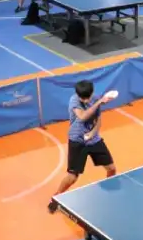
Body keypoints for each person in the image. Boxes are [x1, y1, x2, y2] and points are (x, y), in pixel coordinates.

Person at [48, 80, 117, 214]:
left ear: (91, 93)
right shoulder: (74, 101)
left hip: (93, 140)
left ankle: (109, 190)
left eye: (87, 98)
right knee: (72, 177)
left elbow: (98, 121)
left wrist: (92, 133)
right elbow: (83, 116)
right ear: (78, 95)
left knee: (112, 168)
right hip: (77, 141)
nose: (85, 101)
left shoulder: (95, 99)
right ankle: (56, 198)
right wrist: (99, 102)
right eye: (82, 98)